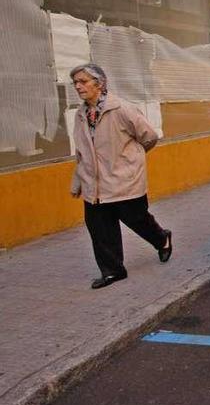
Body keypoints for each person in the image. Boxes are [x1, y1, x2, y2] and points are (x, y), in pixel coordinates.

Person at [69, 64, 172, 289]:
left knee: (136, 218)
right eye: (75, 82)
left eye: (83, 81)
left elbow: (149, 137)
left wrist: (131, 160)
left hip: (124, 180)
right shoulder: (80, 114)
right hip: (93, 184)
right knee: (100, 228)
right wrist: (78, 183)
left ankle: (161, 238)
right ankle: (113, 271)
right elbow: (81, 152)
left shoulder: (122, 109)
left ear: (100, 83)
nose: (78, 86)